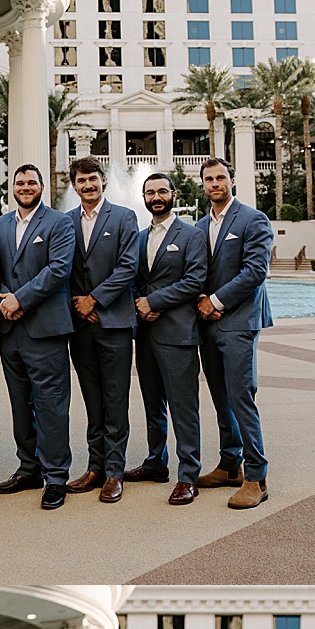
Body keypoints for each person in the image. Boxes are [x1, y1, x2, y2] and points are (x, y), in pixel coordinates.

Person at [0, 165, 77, 511]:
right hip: (10, 328)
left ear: (42, 187)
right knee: (20, 402)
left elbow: (58, 269)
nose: (25, 188)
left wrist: (20, 299)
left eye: (31, 183)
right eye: (20, 183)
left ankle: (56, 476)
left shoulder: (59, 223)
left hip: (46, 328)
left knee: (51, 403)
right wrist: (3, 299)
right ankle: (29, 468)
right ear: (12, 188)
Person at [192, 157, 274, 511]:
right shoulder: (198, 225)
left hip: (239, 321)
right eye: (209, 179)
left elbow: (256, 270)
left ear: (232, 180)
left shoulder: (253, 220)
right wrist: (199, 298)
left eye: (220, 178)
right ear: (203, 184)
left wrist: (217, 299)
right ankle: (230, 465)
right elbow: (195, 271)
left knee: (241, 397)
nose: (214, 184)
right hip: (207, 323)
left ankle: (257, 477)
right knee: (220, 397)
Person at [126, 173, 210, 507]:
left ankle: (188, 475)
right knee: (152, 403)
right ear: (144, 197)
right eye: (150, 192)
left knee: (183, 407)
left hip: (177, 334)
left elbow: (194, 280)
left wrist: (154, 302)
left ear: (173, 194)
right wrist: (138, 306)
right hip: (145, 333)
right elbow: (130, 277)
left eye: (162, 191)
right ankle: (155, 462)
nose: (156, 196)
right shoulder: (138, 237)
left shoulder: (192, 235)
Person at [63, 156, 140, 505]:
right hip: (80, 326)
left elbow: (128, 267)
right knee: (92, 400)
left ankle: (113, 472)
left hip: (114, 324)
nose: (88, 185)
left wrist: (95, 301)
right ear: (74, 185)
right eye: (81, 180)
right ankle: (94, 467)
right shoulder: (65, 222)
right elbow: (59, 270)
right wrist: (78, 306)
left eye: (92, 179)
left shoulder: (124, 218)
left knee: (115, 399)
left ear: (103, 180)